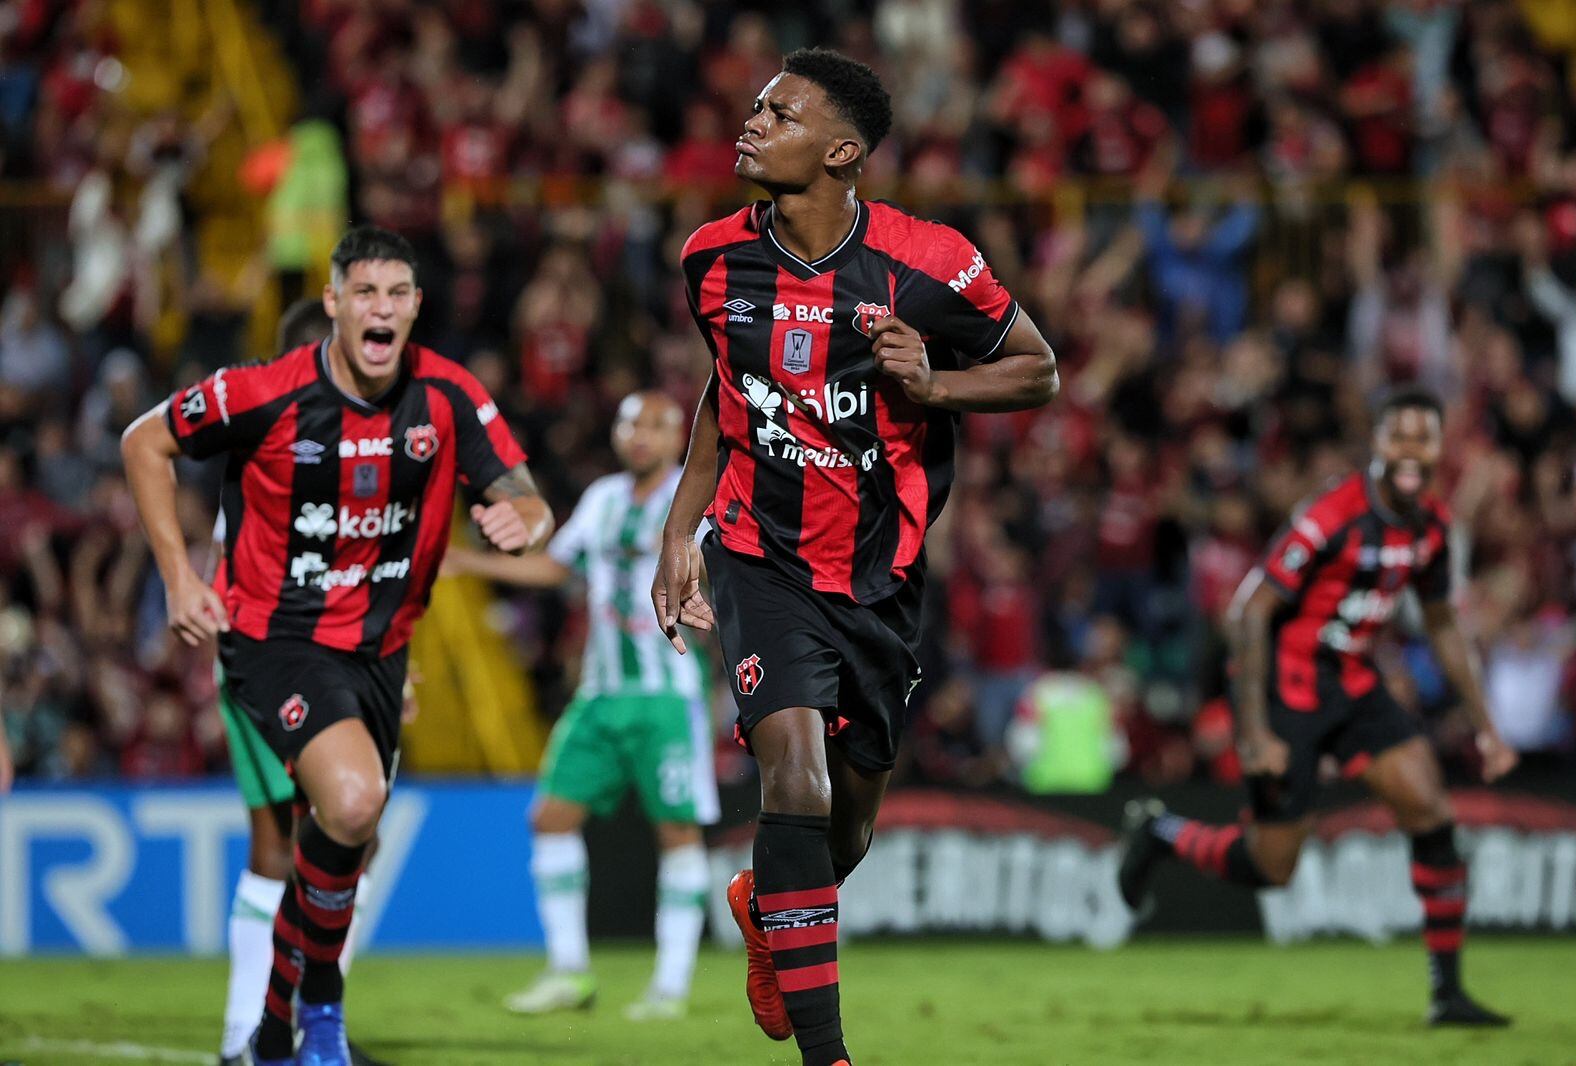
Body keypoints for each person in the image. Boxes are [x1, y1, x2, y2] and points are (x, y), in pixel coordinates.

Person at [653, 49, 1058, 1066]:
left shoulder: (931, 263)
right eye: (752, 105)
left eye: (778, 113)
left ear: (840, 152)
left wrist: (935, 387)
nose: (750, 121)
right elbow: (725, 394)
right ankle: (829, 1058)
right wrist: (677, 531)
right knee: (792, 775)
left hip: (879, 577)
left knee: (845, 836)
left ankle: (768, 905)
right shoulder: (711, 258)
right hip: (758, 555)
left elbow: (1036, 370)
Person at [122, 226, 552, 1066]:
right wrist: (178, 577)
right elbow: (146, 441)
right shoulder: (265, 392)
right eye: (365, 293)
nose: (382, 309)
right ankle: (318, 1011)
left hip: (382, 652)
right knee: (350, 803)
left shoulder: (449, 395)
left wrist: (523, 519)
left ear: (417, 306)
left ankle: (276, 1029)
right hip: (273, 638)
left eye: (397, 294)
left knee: (347, 830)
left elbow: (526, 495)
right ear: (334, 304)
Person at [1118, 386, 1518, 1028]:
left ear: (1442, 449)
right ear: (1378, 445)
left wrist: (1486, 728)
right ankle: (1162, 833)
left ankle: (1448, 995)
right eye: (1399, 436)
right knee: (1271, 866)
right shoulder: (1331, 515)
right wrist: (1253, 732)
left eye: (1425, 437)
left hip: (1353, 683)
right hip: (1288, 688)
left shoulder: (1433, 527)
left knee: (1430, 810)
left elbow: (1443, 624)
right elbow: (1251, 611)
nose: (1412, 450)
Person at [447, 392, 718, 1022]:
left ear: (680, 436)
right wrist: (468, 561)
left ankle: (671, 986)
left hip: (666, 697)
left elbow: (720, 574)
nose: (639, 434)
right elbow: (557, 569)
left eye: (655, 423)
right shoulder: (602, 499)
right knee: (549, 819)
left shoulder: (696, 500)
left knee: (676, 832)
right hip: (598, 696)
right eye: (629, 422)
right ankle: (569, 970)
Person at [209, 298, 391, 1066]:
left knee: (345, 841)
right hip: (271, 666)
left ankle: (302, 1024)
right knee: (280, 845)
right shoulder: (273, 446)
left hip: (341, 666)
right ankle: (250, 1033)